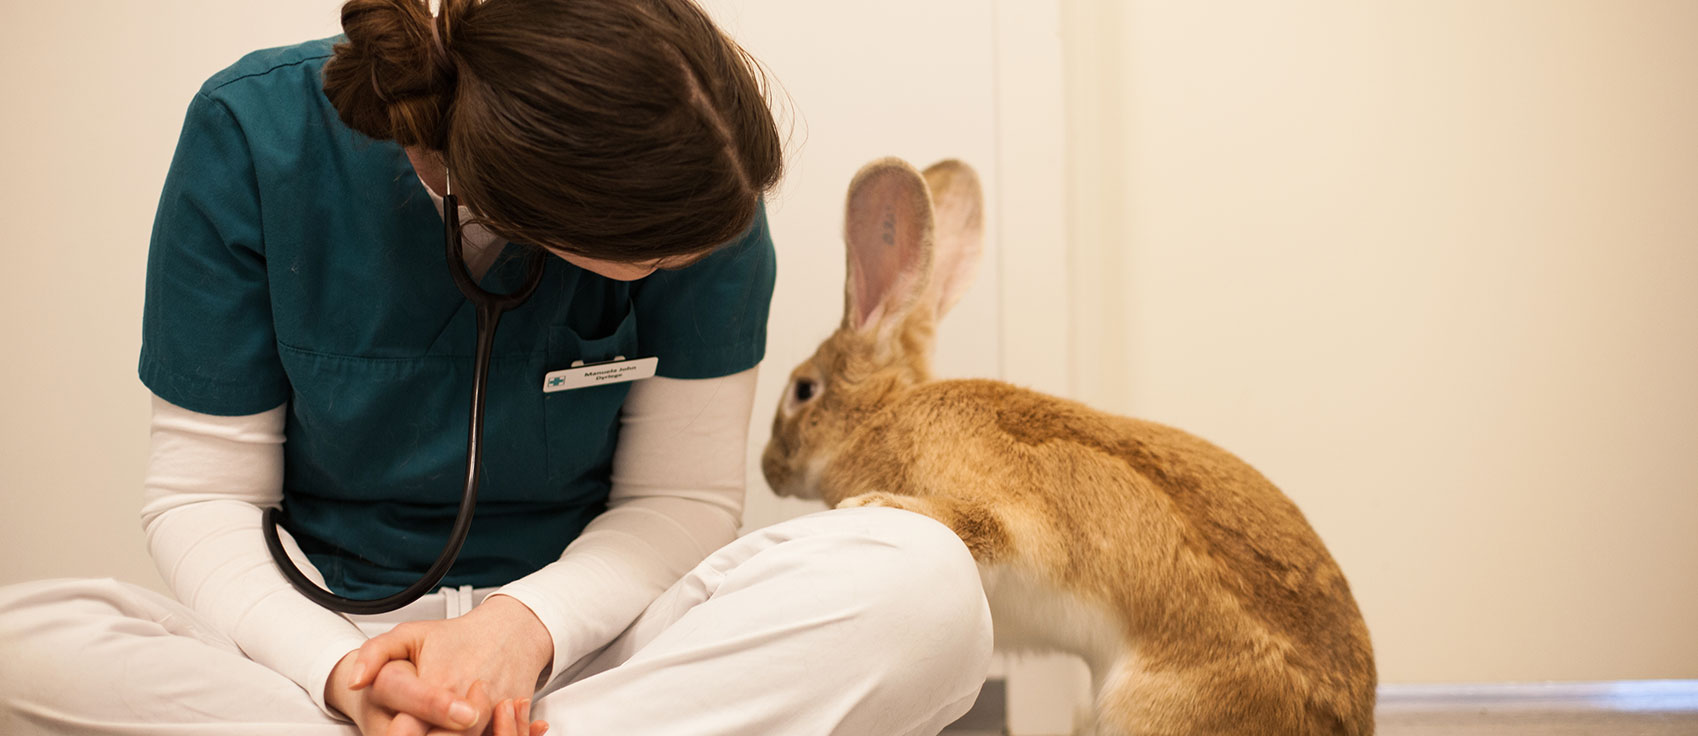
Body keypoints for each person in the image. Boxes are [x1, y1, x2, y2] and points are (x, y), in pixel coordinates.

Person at [0, 1, 992, 734]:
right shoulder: (254, 138)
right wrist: (349, 674)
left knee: (926, 586)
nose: (696, 260)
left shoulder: (700, 197)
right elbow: (199, 496)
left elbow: (682, 496)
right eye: (655, 258)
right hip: (318, 652)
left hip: (587, 658)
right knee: (25, 637)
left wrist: (526, 630)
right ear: (527, 212)